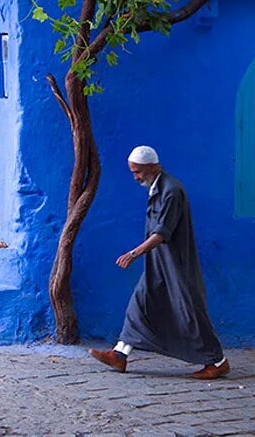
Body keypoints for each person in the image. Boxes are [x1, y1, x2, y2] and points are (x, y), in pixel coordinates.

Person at [89, 145, 230, 380]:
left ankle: (218, 361)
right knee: (141, 303)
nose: (135, 177)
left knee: (189, 311)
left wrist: (134, 253)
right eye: (133, 172)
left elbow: (162, 233)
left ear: (153, 167)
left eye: (138, 172)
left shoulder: (171, 191)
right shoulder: (157, 187)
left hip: (175, 264)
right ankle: (120, 354)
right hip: (158, 264)